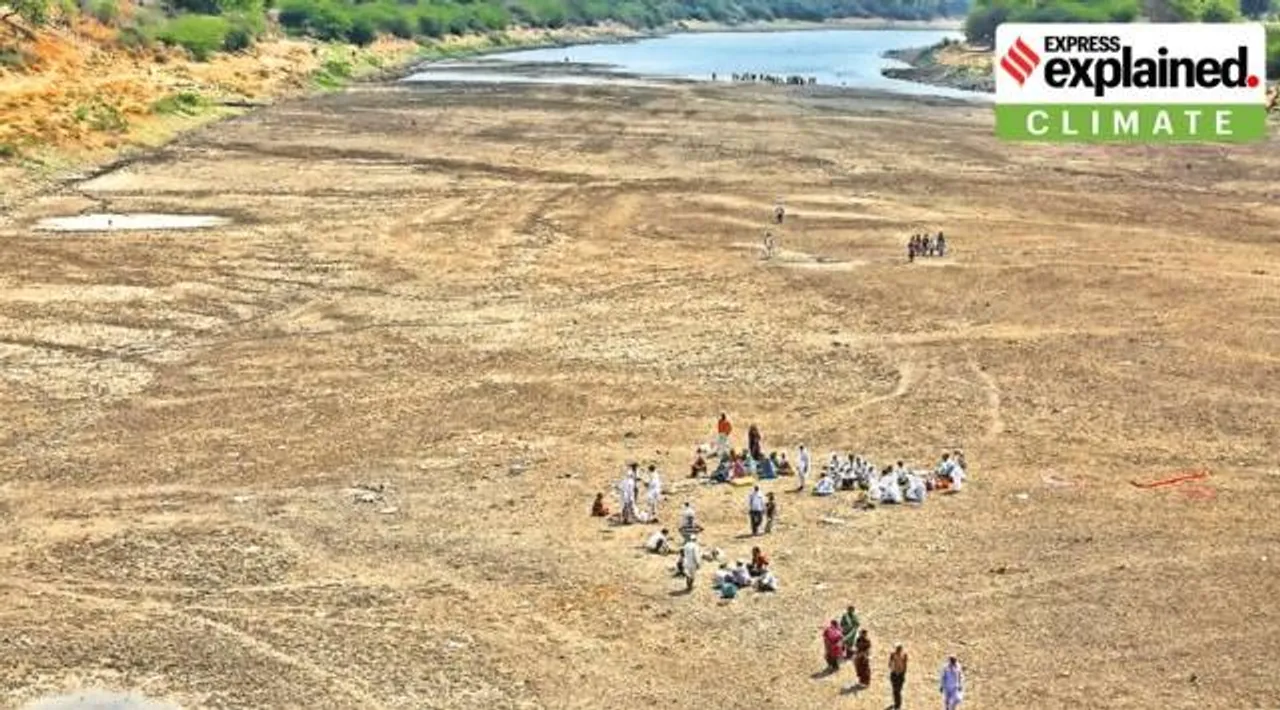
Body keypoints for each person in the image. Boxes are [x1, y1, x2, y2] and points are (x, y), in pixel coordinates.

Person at [888, 644, 908, 710]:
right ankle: (897, 704)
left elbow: (905, 666)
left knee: (898, 690)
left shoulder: (904, 655)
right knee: (895, 690)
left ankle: (898, 704)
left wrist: (902, 673)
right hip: (894, 674)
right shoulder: (892, 655)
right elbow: (889, 664)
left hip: (900, 675)